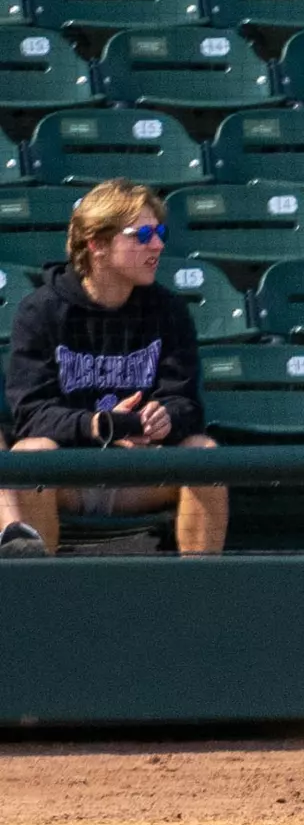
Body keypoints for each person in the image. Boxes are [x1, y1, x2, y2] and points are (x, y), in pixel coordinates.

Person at [0, 179, 226, 555]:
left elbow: (185, 401)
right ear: (97, 245)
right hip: (70, 473)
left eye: (160, 232)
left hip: (139, 472)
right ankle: (36, 595)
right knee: (31, 454)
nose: (157, 244)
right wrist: (97, 425)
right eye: (142, 234)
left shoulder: (167, 309)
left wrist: (166, 417)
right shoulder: (41, 311)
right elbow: (31, 414)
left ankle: (199, 597)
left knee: (203, 452)